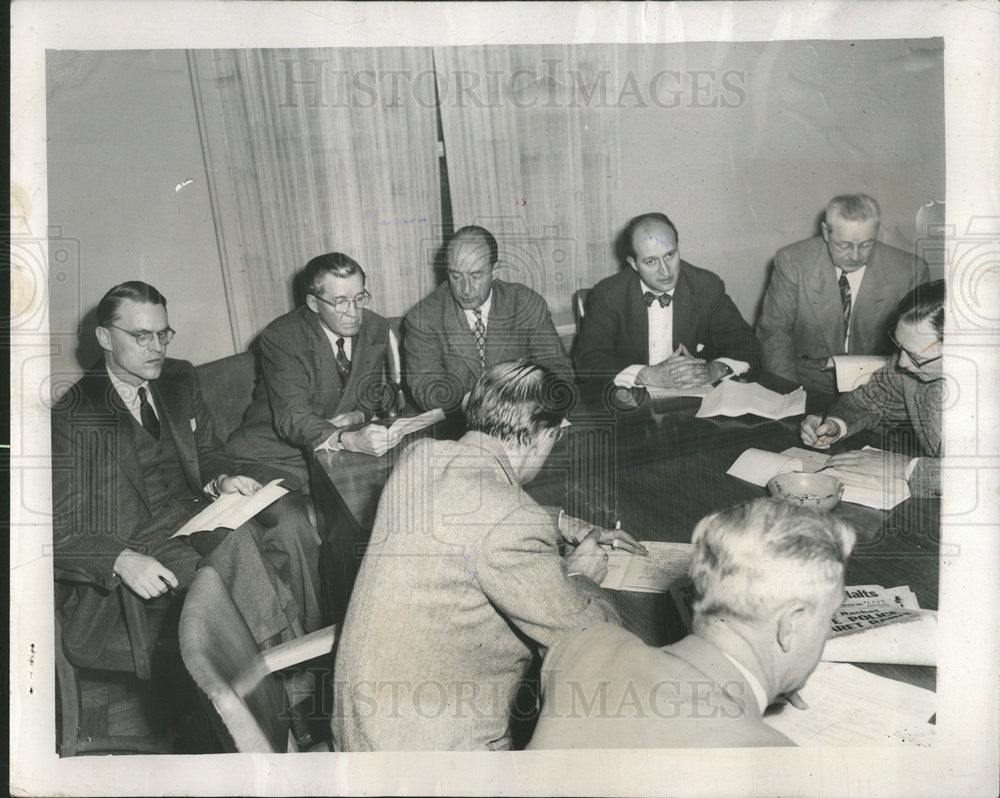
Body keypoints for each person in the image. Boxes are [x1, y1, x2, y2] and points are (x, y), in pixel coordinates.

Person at [333, 360, 643, 751]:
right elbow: (589, 642)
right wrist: (580, 575)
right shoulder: (510, 520)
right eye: (558, 434)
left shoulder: (419, 459)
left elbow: (469, 511)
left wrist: (561, 522)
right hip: (433, 764)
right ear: (542, 435)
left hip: (362, 733)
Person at [51, 282, 307, 669]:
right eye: (141, 336)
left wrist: (220, 479)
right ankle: (292, 685)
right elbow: (53, 526)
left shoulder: (179, 378)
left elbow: (207, 451)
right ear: (105, 337)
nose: (156, 347)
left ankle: (287, 679)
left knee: (283, 525)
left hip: (198, 514)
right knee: (239, 564)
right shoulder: (72, 414)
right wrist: (120, 559)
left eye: (163, 334)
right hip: (139, 541)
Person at [527, 498, 856, 749]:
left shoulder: (581, 647)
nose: (828, 630)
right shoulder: (773, 764)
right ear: (789, 625)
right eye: (829, 616)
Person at [227, 252, 399, 490]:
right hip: (277, 458)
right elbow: (293, 416)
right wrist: (347, 439)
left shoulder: (375, 327)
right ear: (313, 303)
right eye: (340, 302)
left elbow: (369, 394)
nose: (353, 313)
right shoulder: (283, 338)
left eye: (359, 298)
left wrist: (355, 417)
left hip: (336, 456)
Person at [758, 194, 930, 394]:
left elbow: (918, 347)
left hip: (878, 389)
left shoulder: (910, 271)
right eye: (844, 245)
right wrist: (790, 396)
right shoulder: (793, 262)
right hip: (806, 384)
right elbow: (774, 334)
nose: (856, 256)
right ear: (825, 232)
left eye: (866, 244)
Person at [575, 212, 761, 388]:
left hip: (696, 402)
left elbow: (747, 345)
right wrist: (645, 375)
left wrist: (715, 370)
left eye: (670, 255)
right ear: (633, 263)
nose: (665, 271)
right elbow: (587, 360)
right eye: (651, 261)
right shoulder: (609, 294)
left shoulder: (706, 286)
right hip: (633, 403)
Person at [800, 279, 945, 498]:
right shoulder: (909, 364)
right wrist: (836, 424)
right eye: (900, 347)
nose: (902, 363)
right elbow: (870, 401)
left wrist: (906, 467)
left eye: (915, 357)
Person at [403, 225, 573, 411]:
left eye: (476, 275)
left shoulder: (525, 303)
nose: (466, 290)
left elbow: (558, 370)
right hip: (455, 422)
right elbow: (427, 388)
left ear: (495, 270)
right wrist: (483, 405)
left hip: (521, 416)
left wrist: (525, 402)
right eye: (456, 276)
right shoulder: (423, 317)